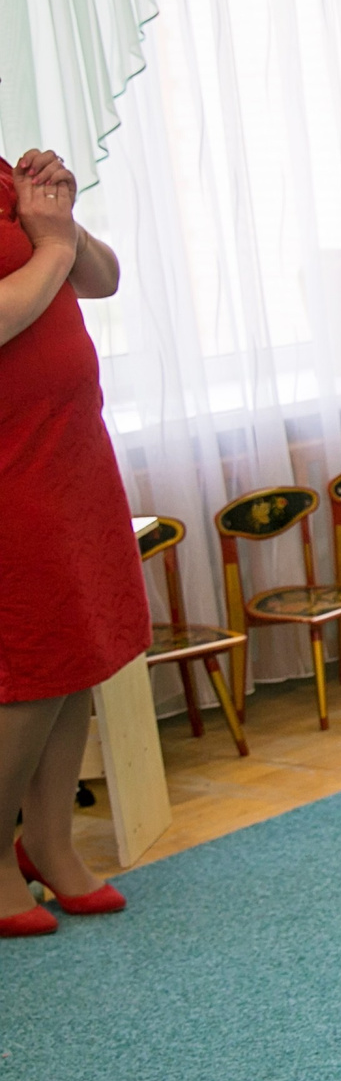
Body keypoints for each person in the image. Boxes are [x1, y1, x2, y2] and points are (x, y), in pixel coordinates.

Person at [0, 149, 141, 938]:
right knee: (27, 663)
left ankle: (49, 839)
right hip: (10, 459)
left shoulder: (4, 179)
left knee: (76, 648)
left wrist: (59, 222)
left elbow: (102, 277)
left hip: (67, 450)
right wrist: (50, 247)